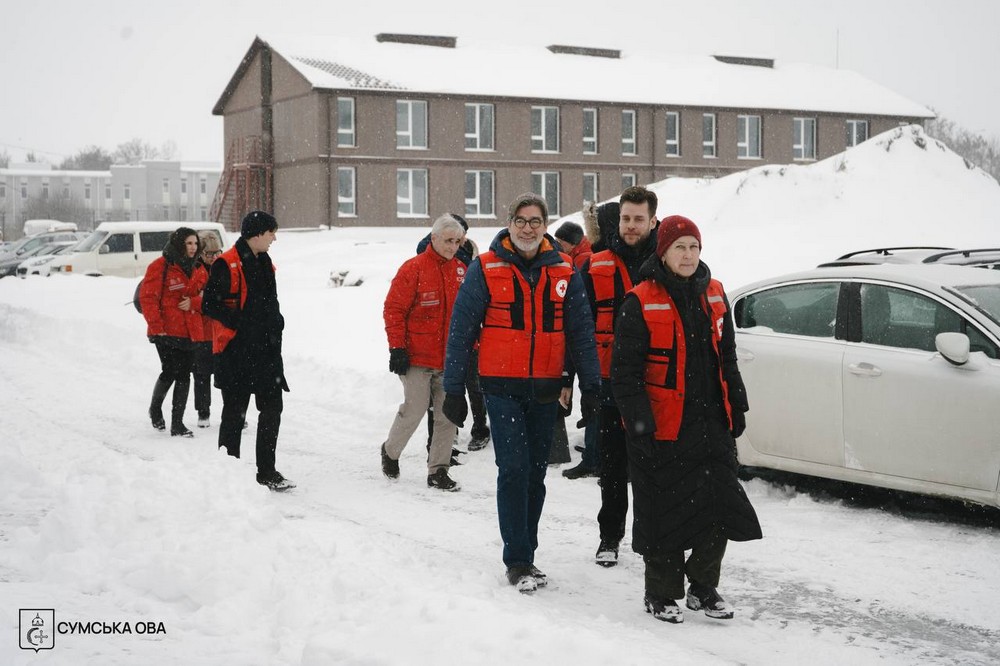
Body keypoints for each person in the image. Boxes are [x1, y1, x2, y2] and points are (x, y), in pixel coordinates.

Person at [442, 193, 601, 594]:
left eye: (535, 221)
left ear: (545, 225)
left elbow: (581, 332)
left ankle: (527, 551)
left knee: (534, 473)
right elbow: (461, 332)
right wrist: (454, 389)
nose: (527, 227)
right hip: (500, 387)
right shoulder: (486, 267)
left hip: (546, 389)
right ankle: (517, 559)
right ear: (509, 223)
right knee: (513, 469)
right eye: (520, 220)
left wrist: (592, 385)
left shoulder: (564, 269)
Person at [611, 214, 762, 624]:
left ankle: (703, 587)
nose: (689, 254)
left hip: (710, 422)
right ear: (663, 251)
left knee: (721, 504)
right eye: (680, 247)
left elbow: (726, 356)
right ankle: (660, 593)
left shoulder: (715, 293)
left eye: (694, 247)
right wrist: (639, 425)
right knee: (664, 509)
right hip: (662, 426)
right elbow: (624, 374)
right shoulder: (639, 300)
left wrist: (738, 406)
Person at [568, 188, 660, 573]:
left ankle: (652, 537)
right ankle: (610, 537)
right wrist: (574, 382)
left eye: (639, 219)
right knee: (612, 468)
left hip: (654, 387)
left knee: (654, 469)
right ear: (617, 220)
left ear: (653, 221)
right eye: (625, 218)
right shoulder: (595, 266)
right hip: (608, 386)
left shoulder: (668, 263)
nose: (631, 226)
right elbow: (578, 328)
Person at [202, 211, 292, 492]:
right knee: (235, 413)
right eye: (271, 233)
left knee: (272, 409)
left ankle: (266, 471)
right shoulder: (226, 264)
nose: (274, 238)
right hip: (236, 353)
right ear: (256, 234)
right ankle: (228, 473)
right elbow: (209, 305)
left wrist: (277, 321)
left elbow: (269, 302)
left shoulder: (265, 262)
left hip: (266, 352)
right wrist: (241, 323)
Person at [381, 214, 467, 491]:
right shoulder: (413, 269)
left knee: (447, 416)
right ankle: (390, 451)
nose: (453, 246)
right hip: (416, 358)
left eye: (457, 241)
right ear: (433, 238)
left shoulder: (462, 271)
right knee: (415, 410)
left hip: (449, 359)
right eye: (448, 240)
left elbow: (469, 315)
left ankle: (438, 470)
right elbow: (394, 310)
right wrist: (397, 348)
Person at [416, 214, 491, 454]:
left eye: (461, 237)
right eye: (454, 238)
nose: (456, 243)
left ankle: (480, 429)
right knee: (442, 390)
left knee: (474, 385)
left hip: (468, 332)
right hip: (440, 337)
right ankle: (447, 436)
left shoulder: (471, 252)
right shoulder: (427, 250)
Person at [139, 227, 207, 438]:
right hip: (165, 331)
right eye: (189, 243)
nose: (193, 247)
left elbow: (208, 297)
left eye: (195, 243)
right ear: (179, 244)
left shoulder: (199, 268)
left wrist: (194, 302)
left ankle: (177, 423)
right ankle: (156, 409)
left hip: (190, 330)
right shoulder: (161, 266)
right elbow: (148, 298)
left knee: (184, 374)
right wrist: (157, 327)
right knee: (171, 370)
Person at [192, 231, 223, 428]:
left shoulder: (224, 268)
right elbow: (188, 299)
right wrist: (204, 301)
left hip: (220, 330)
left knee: (227, 374)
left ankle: (235, 413)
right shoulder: (194, 271)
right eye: (208, 254)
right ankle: (203, 413)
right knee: (202, 375)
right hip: (201, 332)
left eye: (216, 252)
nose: (213, 257)